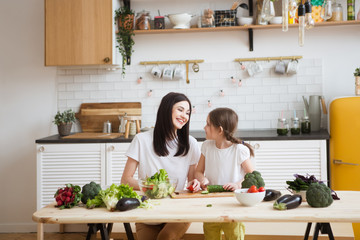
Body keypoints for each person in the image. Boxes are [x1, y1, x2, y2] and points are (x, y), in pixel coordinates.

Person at [121, 92, 201, 240]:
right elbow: (126, 180)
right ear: (166, 109)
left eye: (188, 112)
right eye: (180, 109)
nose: (185, 116)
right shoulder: (141, 140)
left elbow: (191, 181)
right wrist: (154, 187)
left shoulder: (191, 143)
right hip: (148, 210)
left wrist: (194, 184)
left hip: (178, 211)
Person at [192, 107, 255, 240]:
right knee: (210, 235)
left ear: (219, 130)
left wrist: (238, 185)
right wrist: (202, 179)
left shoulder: (239, 150)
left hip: (233, 204)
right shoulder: (206, 146)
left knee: (234, 235)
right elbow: (198, 171)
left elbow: (253, 177)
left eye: (208, 124)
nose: (204, 127)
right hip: (211, 203)